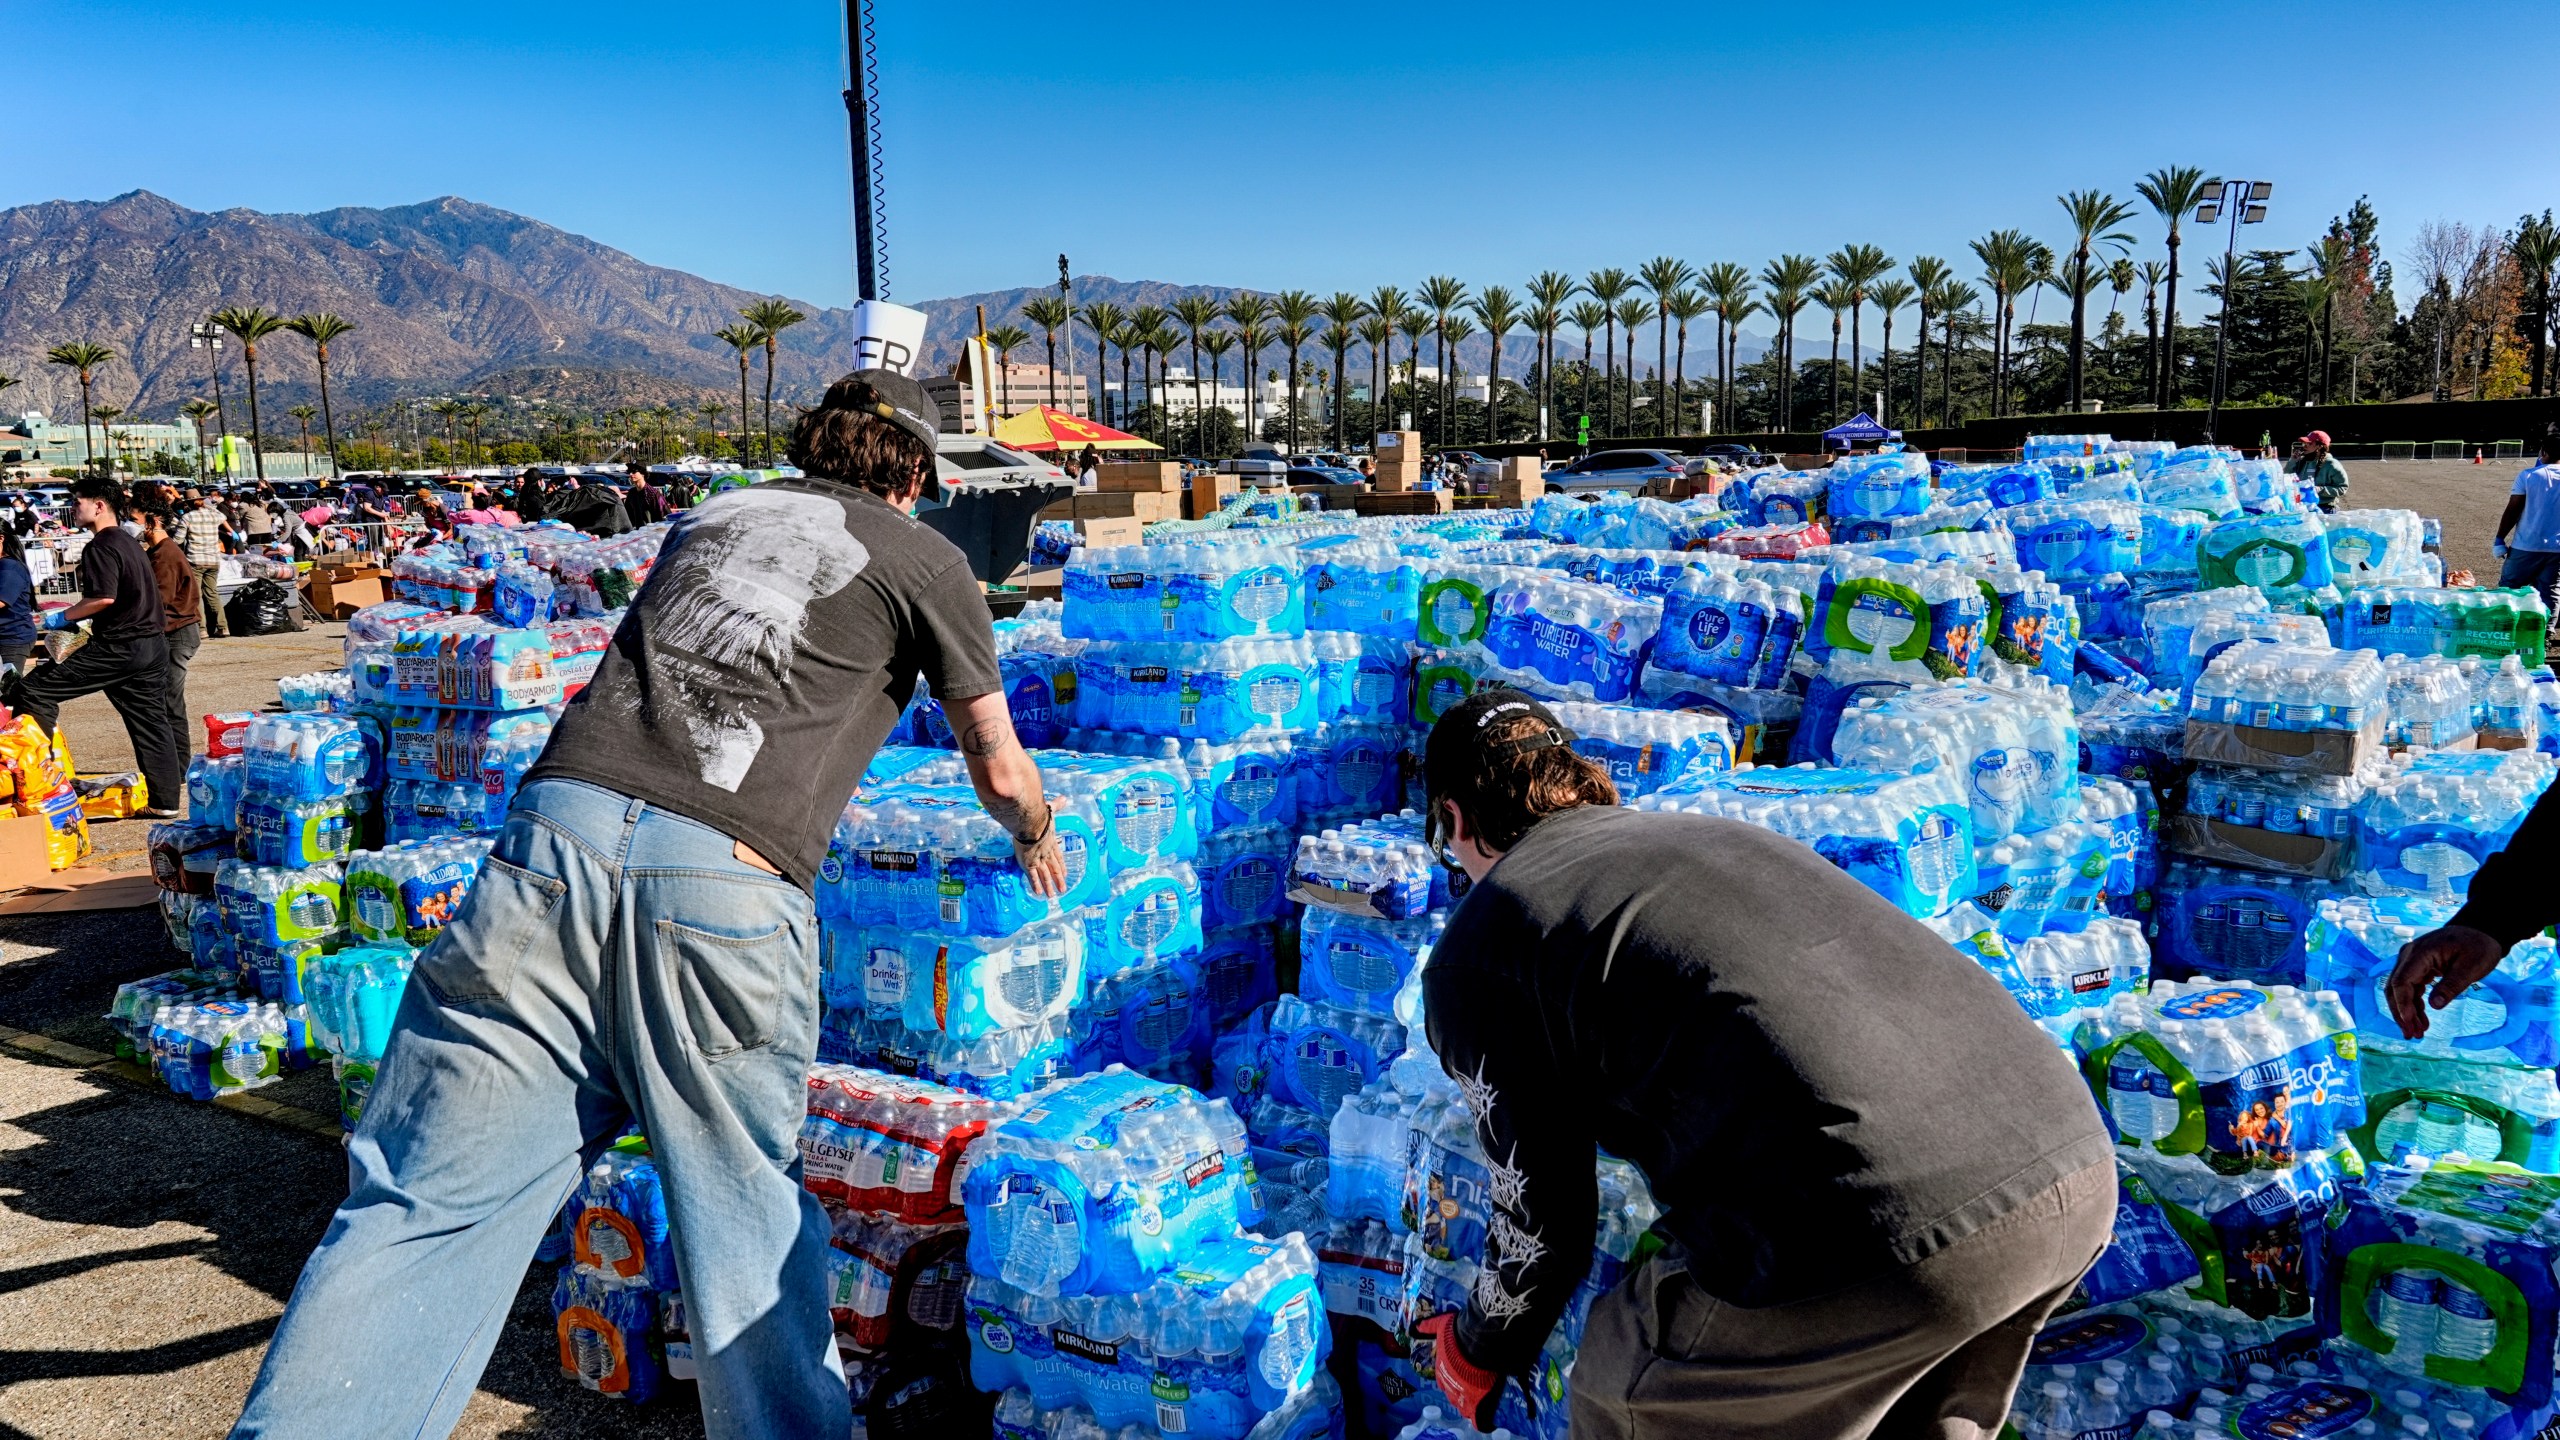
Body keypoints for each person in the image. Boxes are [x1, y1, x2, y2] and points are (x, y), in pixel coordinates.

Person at [229, 370, 1064, 1440]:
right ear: (913, 468)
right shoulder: (924, 557)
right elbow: (995, 764)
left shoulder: (710, 516)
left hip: (547, 851)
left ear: (816, 443)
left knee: (422, 1205)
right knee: (740, 1220)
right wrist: (1037, 836)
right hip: (725, 883)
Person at [1410, 689, 2114, 1440]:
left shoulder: (1486, 943)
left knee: (1628, 1385)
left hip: (1886, 1229)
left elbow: (1542, 1222)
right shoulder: (1707, 838)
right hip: (2068, 1170)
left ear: (1453, 820)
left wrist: (1478, 1348)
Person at [3, 479, 184, 820]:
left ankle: (38, 780)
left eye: (78, 502)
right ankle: (165, 801)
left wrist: (59, 617)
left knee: (33, 689)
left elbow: (103, 597)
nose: (74, 509)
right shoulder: (129, 543)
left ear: (99, 506)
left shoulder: (101, 546)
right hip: (152, 644)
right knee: (151, 721)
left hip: (120, 646)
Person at [138, 507, 203, 758]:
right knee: (164, 697)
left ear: (153, 522)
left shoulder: (165, 554)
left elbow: (159, 598)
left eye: (135, 520)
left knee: (170, 699)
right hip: (173, 631)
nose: (131, 527)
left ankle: (180, 763)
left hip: (178, 633)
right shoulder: (157, 552)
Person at [2493, 426, 2560, 621]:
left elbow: (2513, 509)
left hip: (2526, 545)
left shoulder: (2528, 475)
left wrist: (2500, 538)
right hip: (2557, 548)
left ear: (2543, 452)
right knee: (2550, 591)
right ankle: (2544, 633)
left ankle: (2505, 624)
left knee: (2510, 587)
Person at [178, 489, 230, 638]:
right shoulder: (213, 515)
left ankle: (202, 629)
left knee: (197, 595)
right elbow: (223, 516)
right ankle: (223, 626)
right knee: (212, 593)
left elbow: (178, 540)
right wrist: (207, 506)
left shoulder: (187, 517)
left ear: (187, 503)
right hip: (213, 560)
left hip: (195, 560)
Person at [0, 531, 35, 673]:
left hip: (12, 638)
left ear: (1, 538)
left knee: (7, 689)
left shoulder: (10, 567)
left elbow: (1, 601)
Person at [2289, 429, 2349, 512]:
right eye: (2304, 443)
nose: (2304, 446)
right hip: (2304, 507)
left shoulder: (2331, 464)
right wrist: (2292, 461)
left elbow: (2342, 488)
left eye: (2309, 443)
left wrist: (2320, 489)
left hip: (2325, 508)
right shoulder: (2302, 461)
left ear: (2319, 446)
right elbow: (2286, 478)